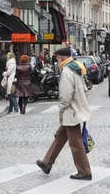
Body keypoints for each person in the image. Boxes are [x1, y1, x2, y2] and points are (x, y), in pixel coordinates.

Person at [35, 47, 91, 180]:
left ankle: (84, 171)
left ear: (61, 57)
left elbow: (66, 94)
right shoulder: (76, 67)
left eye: (57, 57)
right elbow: (85, 87)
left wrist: (62, 107)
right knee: (60, 137)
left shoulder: (67, 70)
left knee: (76, 143)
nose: (56, 59)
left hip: (71, 111)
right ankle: (47, 163)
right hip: (76, 108)